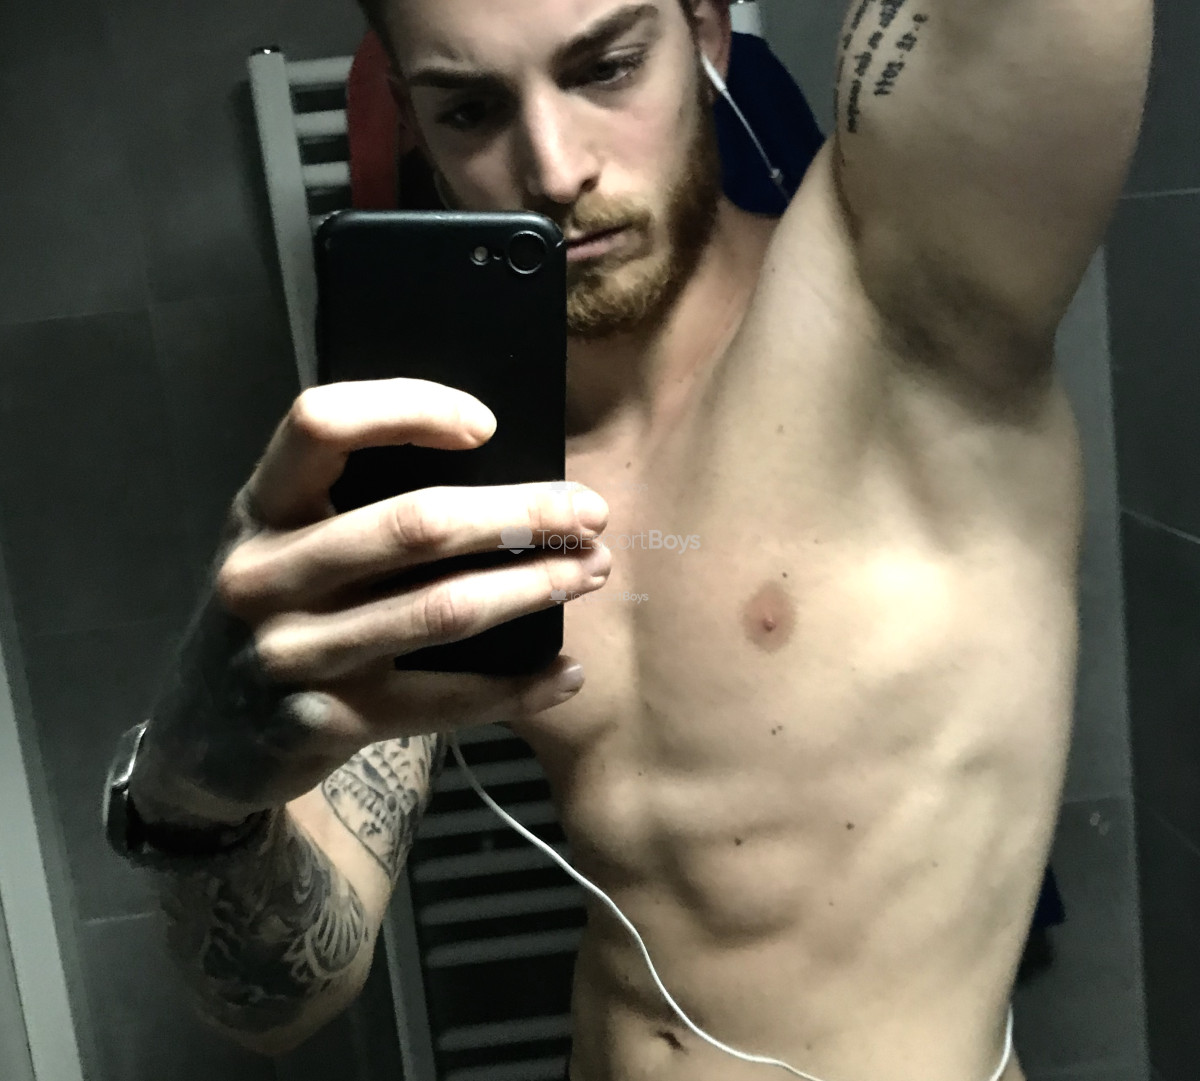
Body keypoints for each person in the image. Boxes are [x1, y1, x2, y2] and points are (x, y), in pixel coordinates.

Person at [105, 1, 1153, 1079]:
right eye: (471, 110)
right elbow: (282, 997)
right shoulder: (448, 461)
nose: (554, 170)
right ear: (414, 127)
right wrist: (192, 797)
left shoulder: (910, 303)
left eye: (605, 67)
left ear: (705, 31)